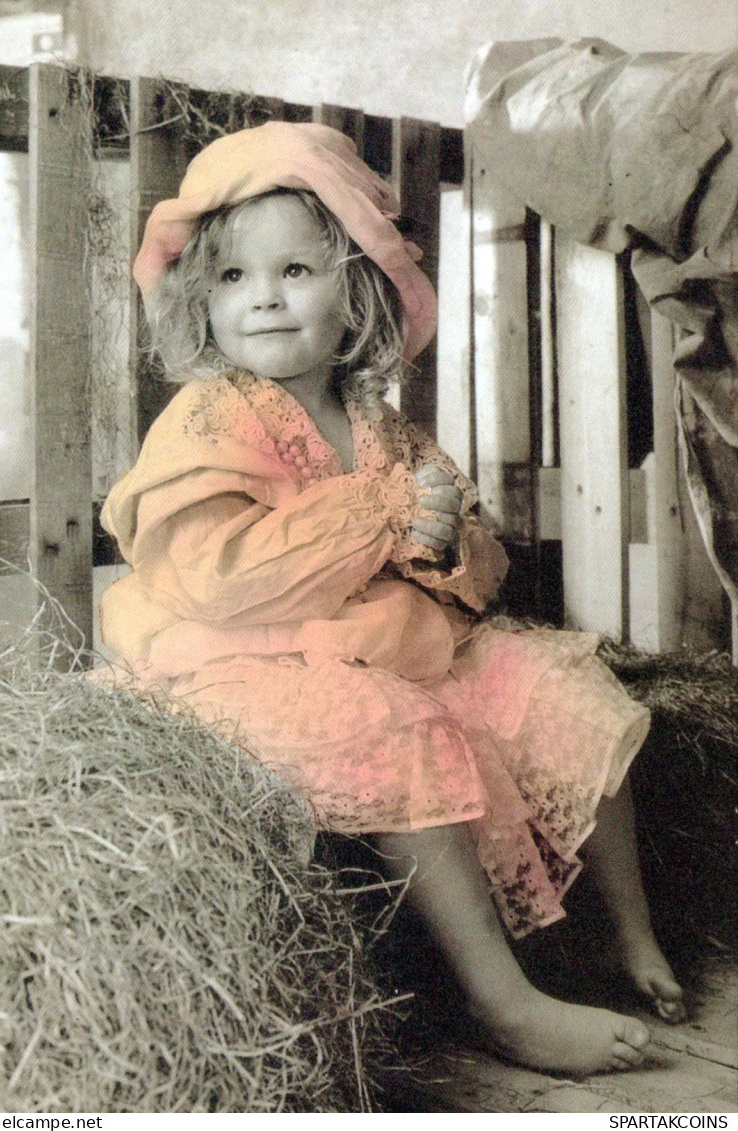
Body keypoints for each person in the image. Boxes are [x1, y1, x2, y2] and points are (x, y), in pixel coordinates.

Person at [98, 121, 684, 1076]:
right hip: (242, 659)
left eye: (296, 270)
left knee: (558, 687)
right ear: (202, 299)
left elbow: (473, 573)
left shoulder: (377, 420)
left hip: (382, 639)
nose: (266, 300)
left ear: (358, 283)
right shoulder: (213, 414)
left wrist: (442, 540)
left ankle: (633, 938)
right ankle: (505, 1003)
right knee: (397, 729)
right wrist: (374, 516)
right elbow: (216, 574)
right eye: (235, 279)